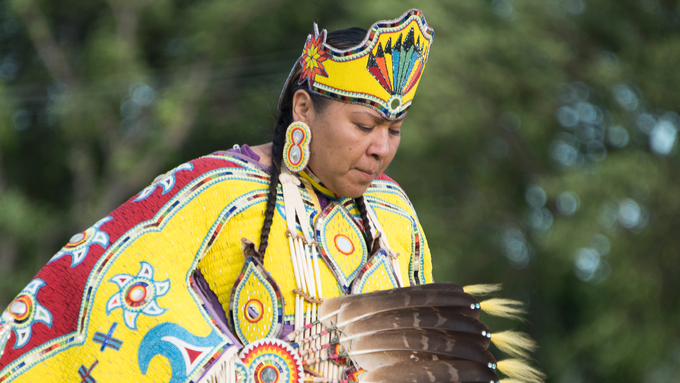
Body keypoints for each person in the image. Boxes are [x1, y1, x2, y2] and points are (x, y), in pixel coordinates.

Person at [0, 9, 527, 383]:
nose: (380, 149)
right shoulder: (218, 191)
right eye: (364, 124)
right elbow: (92, 302)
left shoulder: (396, 217)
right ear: (303, 108)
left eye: (394, 130)